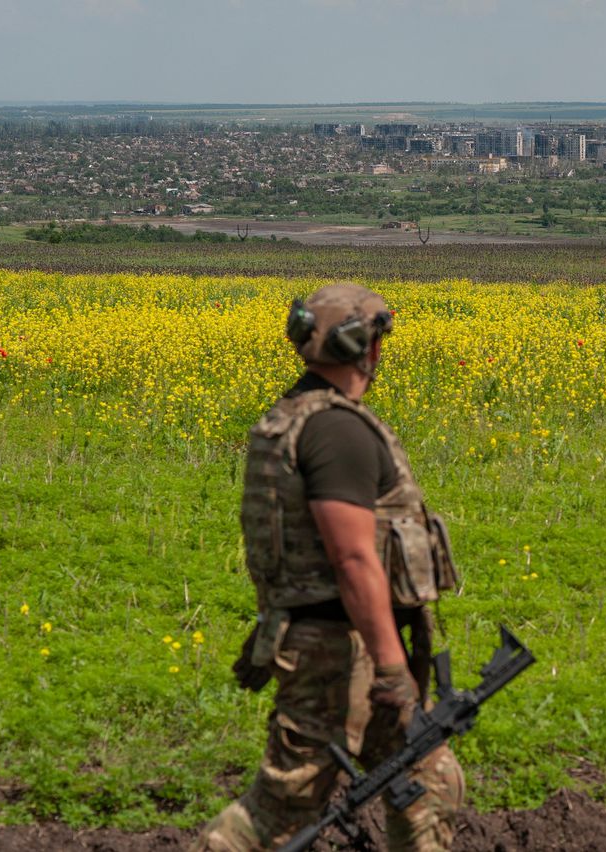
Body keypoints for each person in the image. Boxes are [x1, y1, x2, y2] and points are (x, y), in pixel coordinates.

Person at [194, 283, 462, 852]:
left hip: (334, 641)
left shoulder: (290, 418)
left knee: (428, 783)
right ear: (367, 348)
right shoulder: (336, 431)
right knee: (278, 815)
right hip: (342, 655)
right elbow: (353, 556)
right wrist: (393, 672)